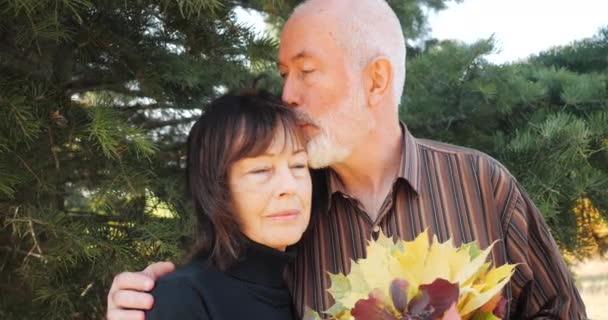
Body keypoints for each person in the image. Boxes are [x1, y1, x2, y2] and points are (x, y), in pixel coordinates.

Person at [107, 0, 587, 319]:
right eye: (284, 74)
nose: (288, 95)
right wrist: (150, 302)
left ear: (376, 80)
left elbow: (559, 310)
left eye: (306, 71)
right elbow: (222, 271)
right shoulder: (289, 207)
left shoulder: (480, 182)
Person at [143, 90, 311, 319]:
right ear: (217, 188)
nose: (289, 186)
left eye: (299, 166)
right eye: (261, 170)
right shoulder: (183, 298)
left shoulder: (307, 291)